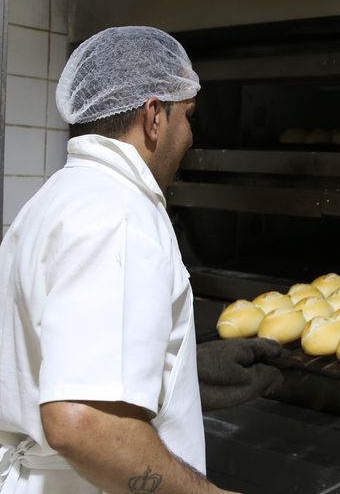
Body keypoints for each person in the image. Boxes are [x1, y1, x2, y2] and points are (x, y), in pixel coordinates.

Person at [0, 26, 282, 493]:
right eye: (188, 115)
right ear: (154, 116)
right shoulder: (121, 216)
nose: (191, 134)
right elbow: (81, 422)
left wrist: (172, 373)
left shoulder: (57, 197)